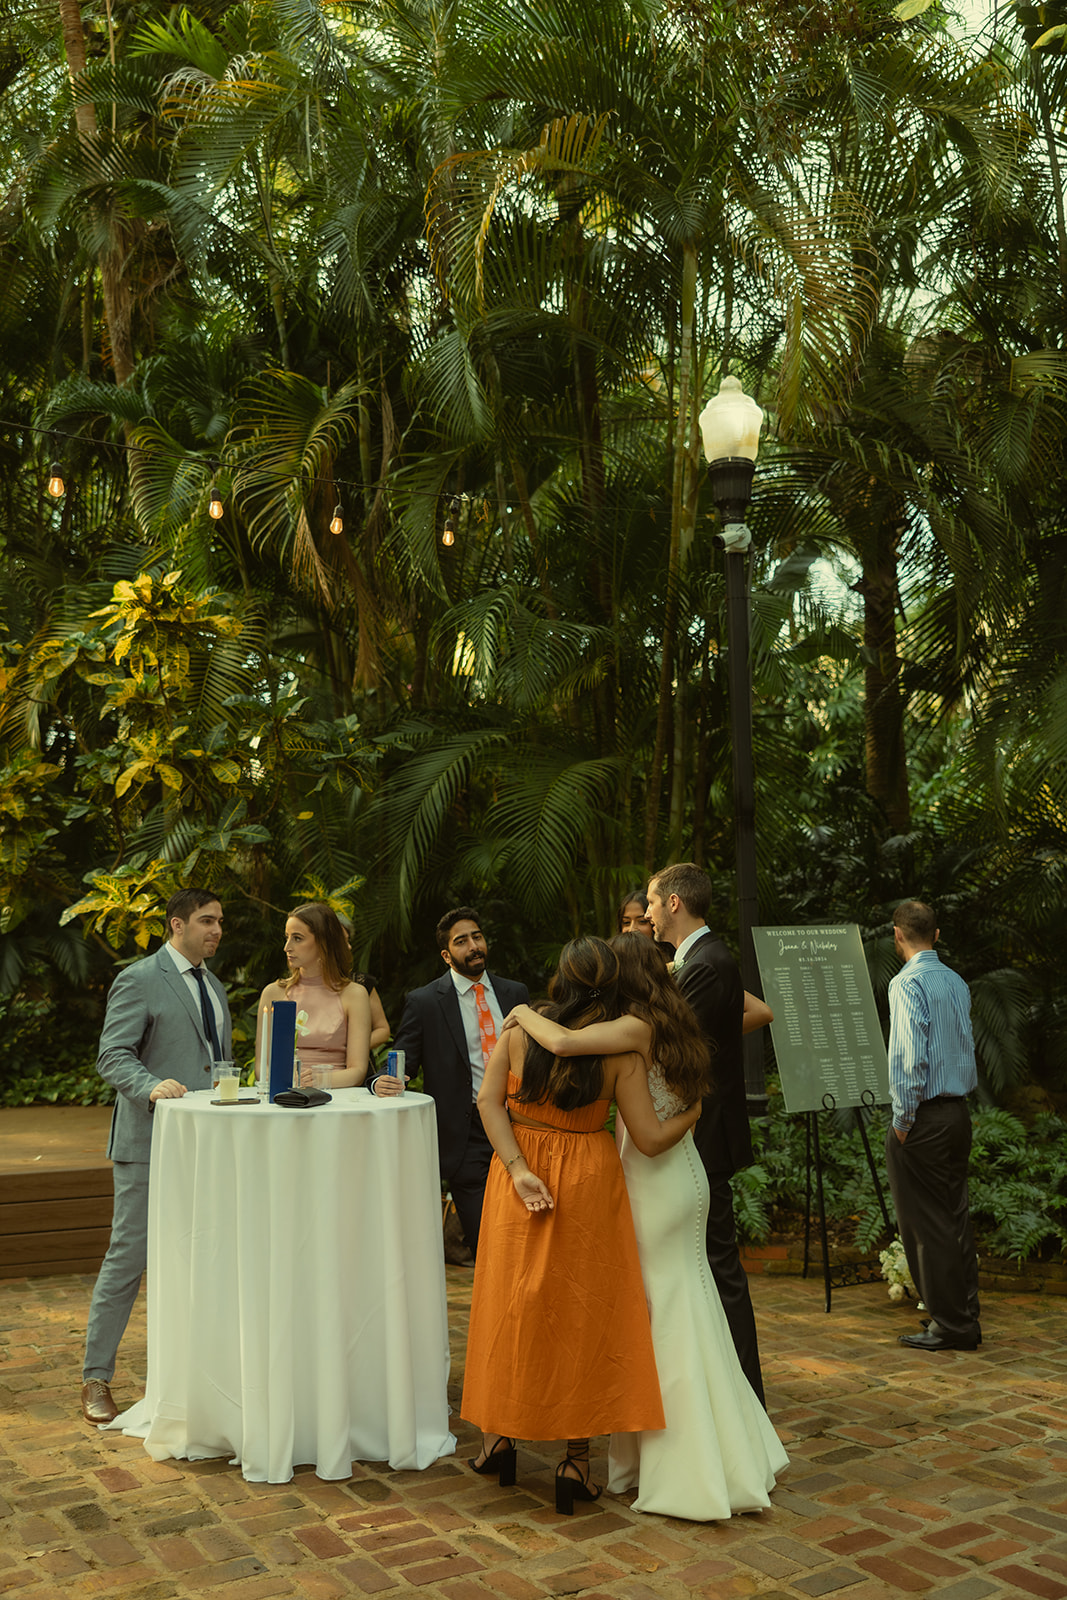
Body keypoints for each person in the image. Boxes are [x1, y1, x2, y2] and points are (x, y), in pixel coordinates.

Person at [505, 934, 787, 1520]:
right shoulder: (673, 1020)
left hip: (653, 1179)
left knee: (659, 1315)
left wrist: (524, 1011)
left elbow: (561, 1041)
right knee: (688, 1302)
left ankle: (687, 1464)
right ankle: (720, 1450)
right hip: (684, 1177)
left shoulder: (633, 1029)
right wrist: (693, 1112)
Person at [461, 937, 700, 1513]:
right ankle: (575, 1460)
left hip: (519, 1177)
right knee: (584, 1309)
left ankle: (499, 1440)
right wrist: (692, 1114)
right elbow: (646, 1136)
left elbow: (489, 1103)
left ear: (558, 981)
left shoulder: (519, 1033)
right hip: (588, 1178)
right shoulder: (622, 1047)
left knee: (509, 1304)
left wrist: (518, 1168)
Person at [81, 888, 231, 1425]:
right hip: (148, 1143)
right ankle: (95, 1377)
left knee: (202, 1259)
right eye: (206, 921)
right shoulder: (140, 978)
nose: (216, 930)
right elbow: (112, 1054)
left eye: (219, 923)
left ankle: (193, 1377)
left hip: (204, 1149)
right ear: (176, 925)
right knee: (128, 1258)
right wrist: (150, 1087)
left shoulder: (214, 987)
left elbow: (217, 1067)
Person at [646, 862, 767, 1403]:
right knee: (708, 1262)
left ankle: (745, 1393)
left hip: (706, 1133)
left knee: (720, 1266)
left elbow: (673, 1043)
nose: (646, 912)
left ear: (674, 903)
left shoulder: (709, 964)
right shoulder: (692, 961)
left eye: (651, 902)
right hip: (696, 1129)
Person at [367, 907, 528, 1259]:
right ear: (446, 954)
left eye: (477, 937)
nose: (473, 946)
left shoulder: (515, 992)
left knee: (528, 1240)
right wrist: (381, 1080)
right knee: (489, 1246)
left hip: (524, 1128)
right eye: (462, 941)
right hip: (468, 1138)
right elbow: (401, 1058)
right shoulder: (425, 1002)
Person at [886, 900, 981, 1353]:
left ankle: (950, 1324)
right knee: (955, 1217)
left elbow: (909, 1056)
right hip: (958, 1112)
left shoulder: (907, 984)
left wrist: (903, 1121)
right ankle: (965, 1316)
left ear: (898, 935)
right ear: (936, 935)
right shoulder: (956, 982)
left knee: (926, 1225)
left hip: (922, 1117)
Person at [256, 902, 372, 1088]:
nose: (287, 947)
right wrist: (289, 1082)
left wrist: (318, 1080)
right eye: (287, 937)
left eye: (297, 938)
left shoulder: (354, 995)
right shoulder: (273, 993)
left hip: (335, 1097)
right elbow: (262, 1067)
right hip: (284, 1095)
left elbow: (358, 1071)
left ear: (324, 942)